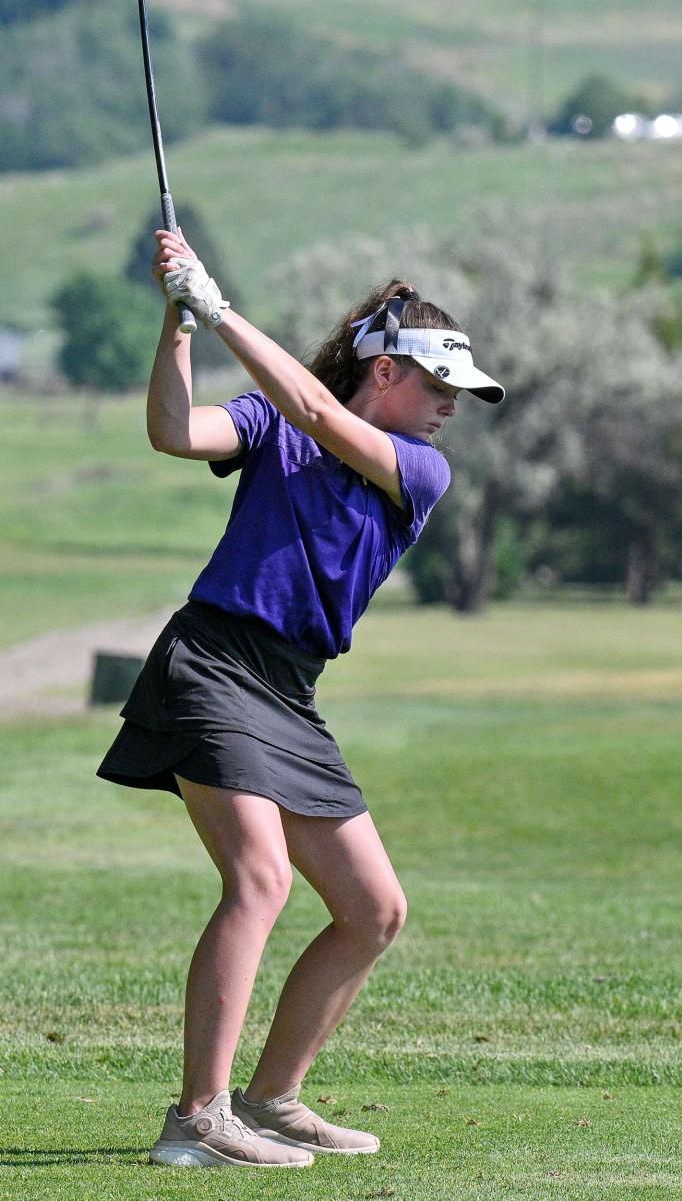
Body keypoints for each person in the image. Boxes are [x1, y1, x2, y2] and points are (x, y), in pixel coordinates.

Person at [97, 228, 504, 1169]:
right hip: (211, 662)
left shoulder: (419, 471)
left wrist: (221, 303)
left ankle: (273, 1098)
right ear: (388, 369)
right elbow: (175, 432)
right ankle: (197, 1118)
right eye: (439, 388)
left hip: (288, 691)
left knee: (375, 909)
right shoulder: (272, 423)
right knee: (262, 880)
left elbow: (319, 411)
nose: (450, 408)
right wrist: (183, 324)